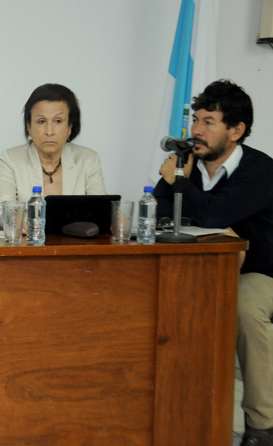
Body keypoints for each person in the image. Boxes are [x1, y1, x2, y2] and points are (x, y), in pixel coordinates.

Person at [154, 80, 273, 446]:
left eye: (209, 122)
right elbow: (159, 214)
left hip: (260, 271)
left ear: (236, 131)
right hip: (200, 272)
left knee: (245, 309)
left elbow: (214, 212)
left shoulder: (260, 169)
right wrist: (177, 183)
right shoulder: (189, 163)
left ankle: (261, 425)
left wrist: (180, 184)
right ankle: (176, 412)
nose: (197, 131)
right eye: (196, 121)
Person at [0, 83, 105, 228]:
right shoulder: (10, 159)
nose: (49, 131)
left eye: (58, 121)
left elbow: (101, 210)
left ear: (70, 127)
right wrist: (20, 222)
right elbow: (1, 212)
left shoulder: (88, 159)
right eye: (41, 121)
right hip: (30, 245)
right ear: (29, 126)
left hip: (76, 245)